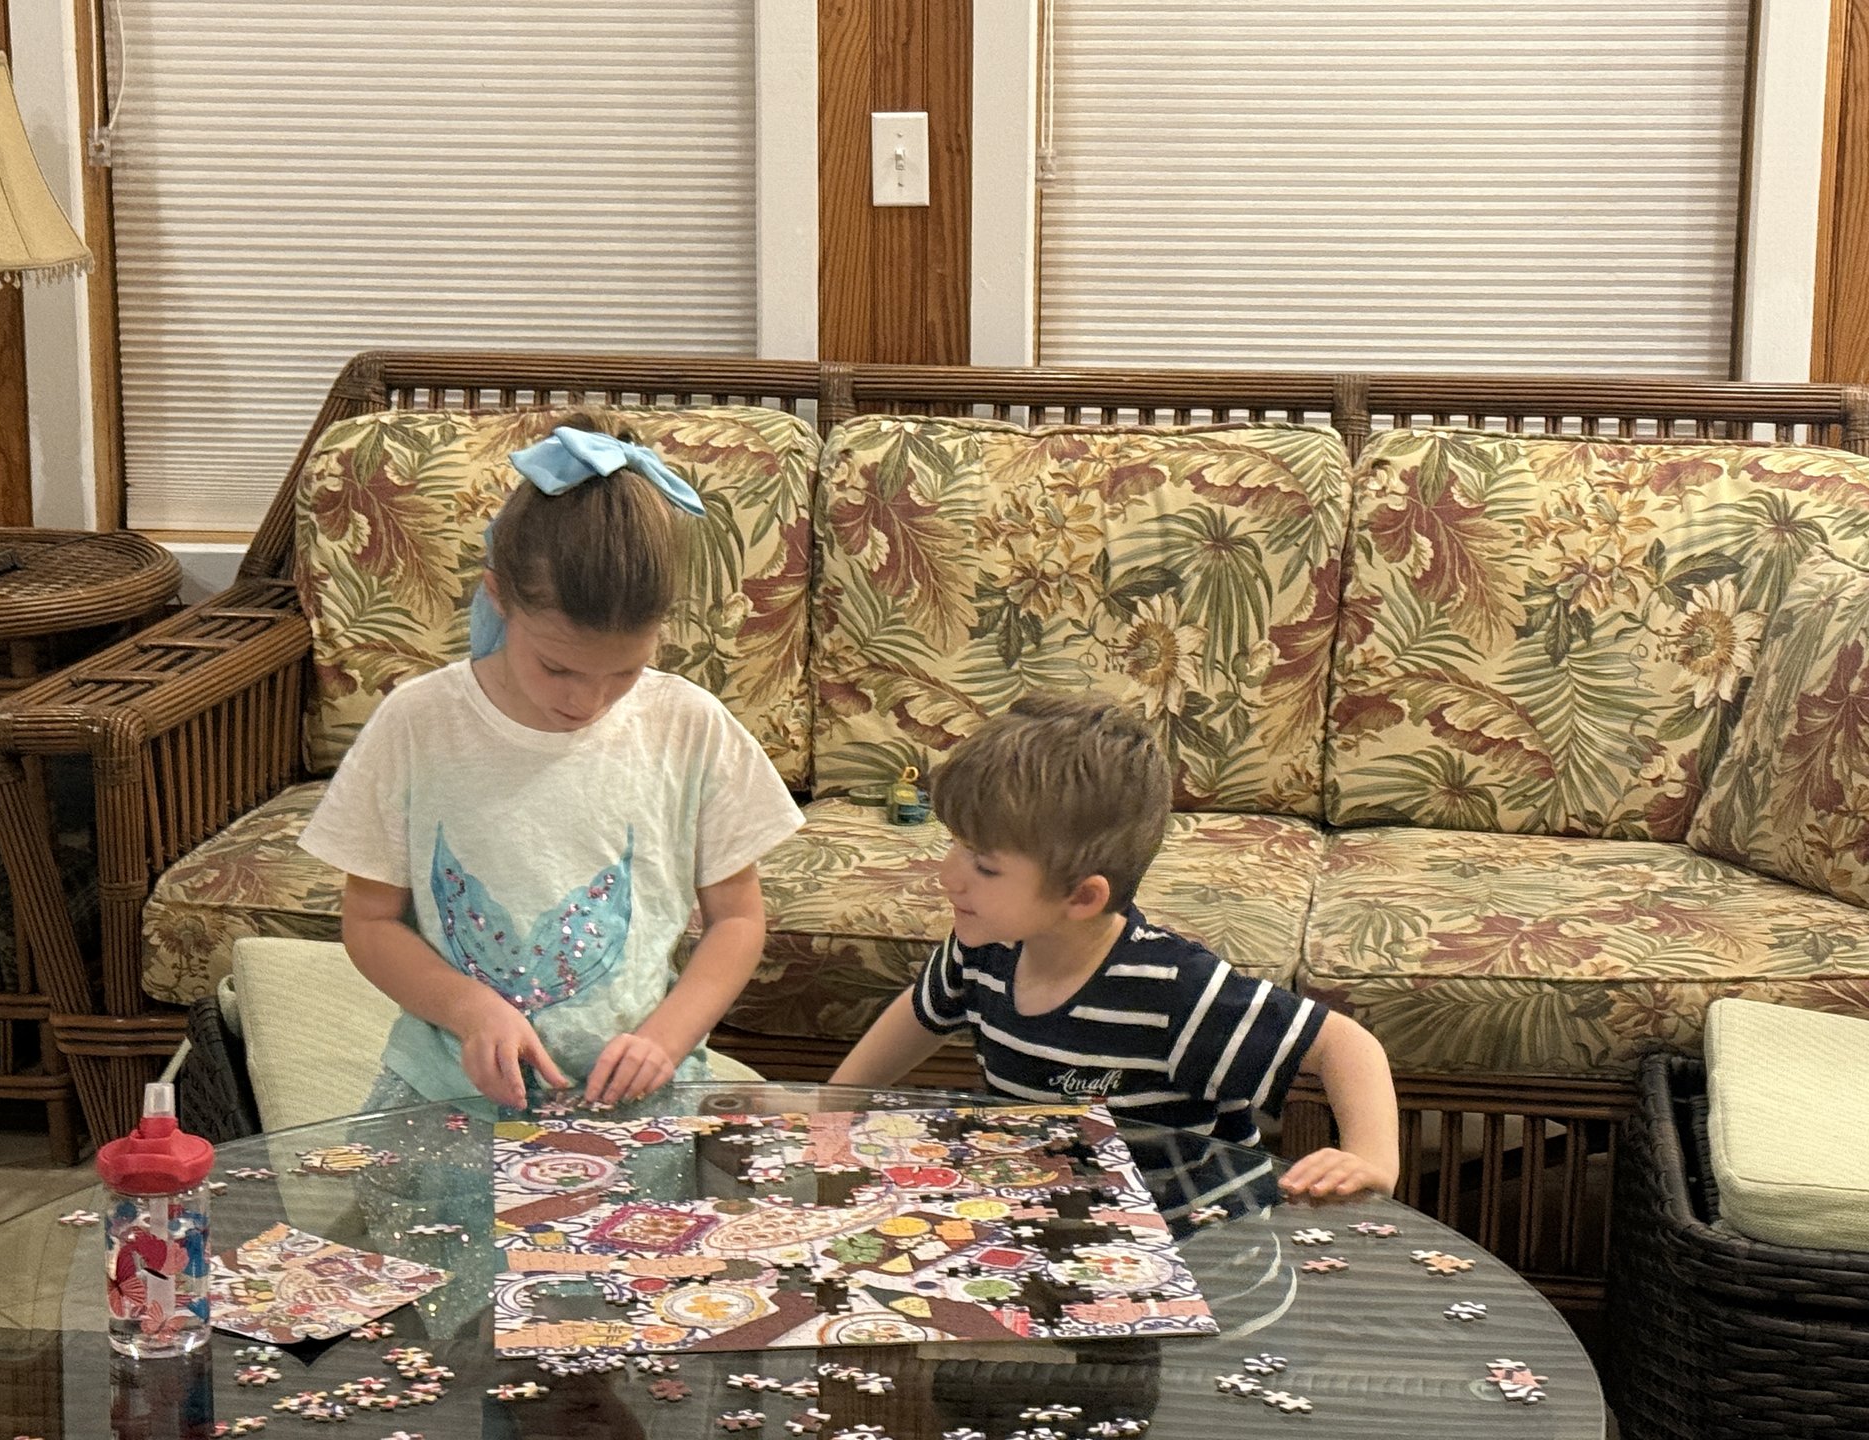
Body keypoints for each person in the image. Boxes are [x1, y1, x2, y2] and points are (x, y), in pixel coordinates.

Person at [301, 422, 803, 1112]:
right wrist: (471, 1010)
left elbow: (739, 922)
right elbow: (369, 921)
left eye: (625, 671)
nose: (585, 699)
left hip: (635, 1096)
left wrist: (665, 1037)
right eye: (557, 666)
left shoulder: (691, 727)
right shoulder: (419, 724)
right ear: (498, 596)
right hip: (447, 1093)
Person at [830, 691, 1399, 1200]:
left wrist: (1372, 1158)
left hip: (1201, 1255)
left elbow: (1346, 1046)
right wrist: (832, 1107)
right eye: (953, 845)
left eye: (983, 865)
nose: (947, 875)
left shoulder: (1175, 988)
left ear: (1082, 897)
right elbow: (920, 1012)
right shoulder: (983, 949)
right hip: (1061, 1225)